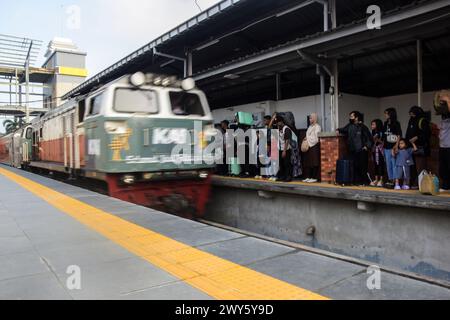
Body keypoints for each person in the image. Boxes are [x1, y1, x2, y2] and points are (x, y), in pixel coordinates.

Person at [337, 111, 373, 185]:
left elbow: (369, 138)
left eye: (352, 116)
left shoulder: (362, 126)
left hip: (361, 150)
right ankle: (357, 182)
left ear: (356, 118)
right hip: (352, 150)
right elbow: (343, 129)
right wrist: (338, 130)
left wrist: (366, 146)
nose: (350, 118)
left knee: (363, 167)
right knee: (355, 166)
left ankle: (365, 182)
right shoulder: (349, 126)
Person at [405, 106, 431, 188]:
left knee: (420, 167)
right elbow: (408, 133)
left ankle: (421, 184)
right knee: (412, 167)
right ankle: (414, 183)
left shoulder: (422, 121)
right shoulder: (411, 120)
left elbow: (427, 134)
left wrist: (417, 137)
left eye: (413, 114)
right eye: (410, 114)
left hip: (420, 148)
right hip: (411, 148)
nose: (411, 116)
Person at [382, 108, 403, 188]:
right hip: (386, 147)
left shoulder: (396, 123)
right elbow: (384, 135)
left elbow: (399, 135)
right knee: (388, 165)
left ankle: (396, 181)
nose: (385, 115)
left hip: (393, 147)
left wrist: (396, 145)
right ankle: (391, 180)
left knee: (394, 164)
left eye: (387, 113)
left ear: (391, 114)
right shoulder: (385, 123)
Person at [435, 90, 450, 192]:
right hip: (442, 145)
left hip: (449, 145)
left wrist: (448, 100)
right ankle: (445, 185)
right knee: (443, 167)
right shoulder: (443, 116)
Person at [302, 113, 321, 183]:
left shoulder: (317, 127)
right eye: (309, 118)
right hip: (309, 146)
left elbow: (316, 138)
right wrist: (306, 138)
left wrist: (307, 138)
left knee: (314, 162)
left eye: (311, 118)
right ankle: (309, 176)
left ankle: (314, 177)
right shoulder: (310, 127)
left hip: (314, 146)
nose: (309, 119)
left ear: (314, 118)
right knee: (309, 162)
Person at [276, 116, 293, 182]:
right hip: (280, 149)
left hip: (286, 149)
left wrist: (284, 151)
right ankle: (282, 176)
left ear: (281, 122)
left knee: (287, 164)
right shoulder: (279, 128)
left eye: (278, 122)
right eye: (277, 123)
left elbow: (287, 140)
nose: (277, 124)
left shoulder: (286, 129)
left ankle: (288, 177)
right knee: (281, 164)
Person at [370, 119, 385, 187]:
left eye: (373, 124)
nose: (372, 126)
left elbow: (383, 142)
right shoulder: (373, 131)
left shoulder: (381, 132)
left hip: (380, 149)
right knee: (375, 164)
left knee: (381, 164)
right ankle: (376, 179)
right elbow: (372, 140)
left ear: (377, 125)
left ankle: (381, 180)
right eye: (371, 124)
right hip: (374, 149)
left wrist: (377, 140)